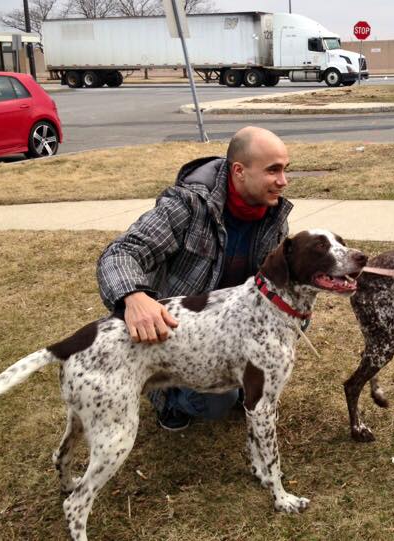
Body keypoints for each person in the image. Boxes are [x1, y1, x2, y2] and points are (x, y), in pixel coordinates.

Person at [96, 126, 292, 430]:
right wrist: (134, 297)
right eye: (273, 171)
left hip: (231, 324)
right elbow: (122, 252)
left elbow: (272, 288)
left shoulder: (274, 217)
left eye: (285, 170)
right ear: (239, 171)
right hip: (178, 333)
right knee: (217, 402)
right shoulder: (187, 206)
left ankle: (235, 381)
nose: (283, 181)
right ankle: (170, 399)